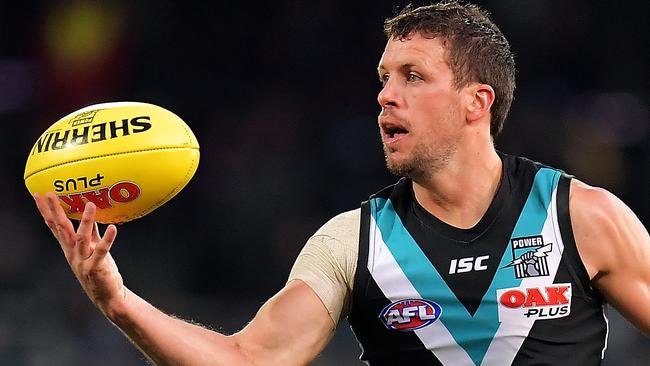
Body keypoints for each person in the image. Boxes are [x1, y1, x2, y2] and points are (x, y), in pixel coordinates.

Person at [34, 1, 650, 365]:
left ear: (475, 101)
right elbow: (251, 361)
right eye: (384, 77)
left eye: (413, 76)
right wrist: (117, 302)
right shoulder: (353, 242)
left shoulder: (579, 216)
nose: (385, 96)